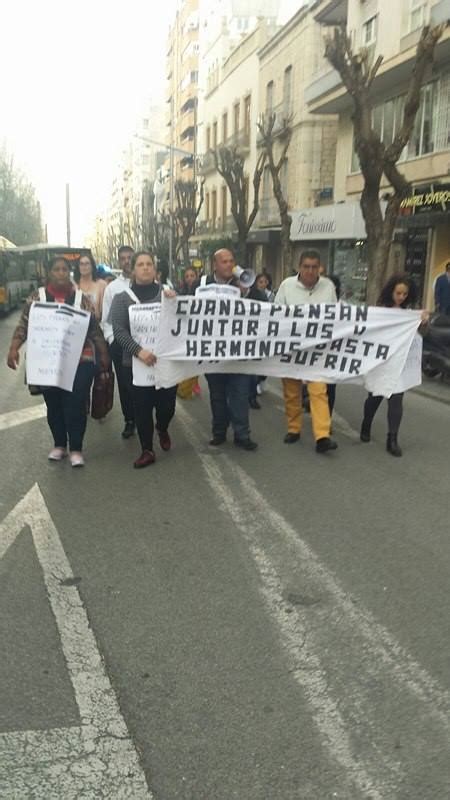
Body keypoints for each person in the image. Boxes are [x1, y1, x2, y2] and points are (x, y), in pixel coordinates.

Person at [6, 256, 110, 467]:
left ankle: (77, 448)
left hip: (80, 361)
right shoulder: (38, 297)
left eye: (65, 269)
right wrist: (13, 348)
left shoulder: (82, 299)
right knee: (54, 405)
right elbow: (24, 325)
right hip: (47, 362)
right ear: (49, 273)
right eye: (57, 269)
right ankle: (60, 445)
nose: (61, 273)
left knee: (75, 404)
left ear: (69, 273)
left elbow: (94, 330)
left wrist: (104, 355)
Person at [111, 250, 177, 469]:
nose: (146, 267)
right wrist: (138, 351)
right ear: (133, 269)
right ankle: (147, 449)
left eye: (149, 263)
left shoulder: (167, 295)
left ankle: (163, 427)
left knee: (167, 406)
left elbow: (180, 323)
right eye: (141, 264)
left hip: (166, 362)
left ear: (155, 269)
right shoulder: (122, 299)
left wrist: (175, 302)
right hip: (136, 364)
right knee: (142, 408)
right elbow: (119, 331)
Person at [275, 249, 338, 454]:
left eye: (314, 267)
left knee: (319, 391)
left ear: (319, 268)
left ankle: (322, 436)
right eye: (306, 267)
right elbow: (275, 314)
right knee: (291, 391)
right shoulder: (286, 286)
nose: (310, 271)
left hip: (318, 351)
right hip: (292, 349)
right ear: (299, 267)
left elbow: (335, 315)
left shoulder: (328, 286)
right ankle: (294, 429)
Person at [360, 273, 423, 457]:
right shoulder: (381, 310)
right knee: (375, 396)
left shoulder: (411, 312)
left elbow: (422, 333)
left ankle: (392, 439)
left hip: (400, 363)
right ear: (391, 292)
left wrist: (423, 321)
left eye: (404, 294)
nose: (401, 297)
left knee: (396, 400)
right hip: (381, 362)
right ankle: (367, 422)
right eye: (398, 293)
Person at [203, 248, 258, 451]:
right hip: (213, 353)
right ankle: (219, 432)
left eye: (231, 261)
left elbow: (265, 307)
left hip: (239, 352)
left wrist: (247, 293)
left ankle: (242, 435)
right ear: (215, 265)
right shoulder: (202, 285)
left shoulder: (243, 282)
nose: (229, 265)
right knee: (217, 396)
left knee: (240, 395)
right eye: (224, 261)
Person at [101, 245, 136, 439]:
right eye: (123, 258)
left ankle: (144, 417)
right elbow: (106, 319)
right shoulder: (112, 288)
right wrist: (112, 340)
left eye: (130, 257)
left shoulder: (148, 283)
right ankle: (129, 420)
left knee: (143, 383)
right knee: (125, 384)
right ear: (119, 261)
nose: (127, 261)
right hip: (120, 345)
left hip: (144, 344)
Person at [73, 253, 107, 320]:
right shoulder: (73, 285)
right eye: (81, 264)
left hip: (96, 325)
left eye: (87, 263)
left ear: (92, 266)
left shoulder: (102, 285)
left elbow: (104, 311)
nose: (84, 266)